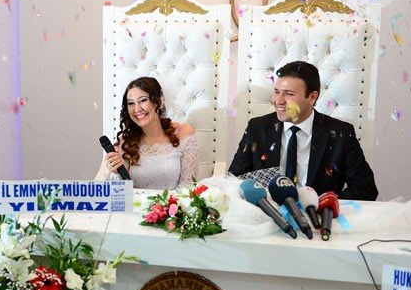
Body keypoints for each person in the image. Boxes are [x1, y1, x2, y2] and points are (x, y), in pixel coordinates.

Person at [228, 60, 378, 200]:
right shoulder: (257, 128)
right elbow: (233, 181)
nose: (278, 101)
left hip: (317, 215)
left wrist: (321, 203)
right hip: (268, 213)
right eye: (276, 92)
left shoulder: (341, 133)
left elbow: (365, 189)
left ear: (312, 97)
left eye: (289, 94)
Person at [105, 77, 198, 189]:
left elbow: (188, 187)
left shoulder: (184, 132)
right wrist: (117, 173)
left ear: (160, 102)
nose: (137, 109)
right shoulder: (124, 142)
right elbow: (118, 192)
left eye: (143, 100)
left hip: (175, 200)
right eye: (131, 103)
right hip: (136, 200)